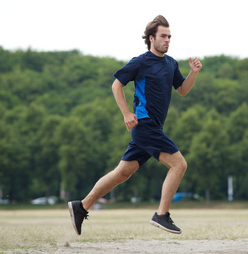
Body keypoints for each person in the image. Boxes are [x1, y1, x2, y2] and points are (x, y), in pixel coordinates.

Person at [68, 15, 202, 235]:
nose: (167, 40)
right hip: (145, 125)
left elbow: (183, 90)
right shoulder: (140, 62)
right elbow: (116, 85)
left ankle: (80, 206)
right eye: (163, 36)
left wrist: (193, 74)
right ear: (151, 38)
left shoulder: (171, 64)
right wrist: (126, 113)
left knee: (122, 172)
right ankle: (161, 215)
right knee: (179, 164)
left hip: (153, 128)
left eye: (170, 36)